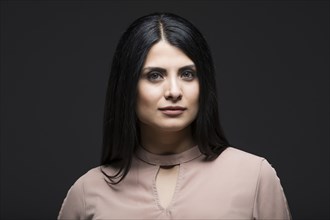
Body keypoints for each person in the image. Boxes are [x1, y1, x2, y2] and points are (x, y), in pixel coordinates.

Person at [58, 12, 291, 219]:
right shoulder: (88, 191)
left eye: (188, 74)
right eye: (155, 75)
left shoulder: (255, 177)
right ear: (126, 86)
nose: (174, 92)